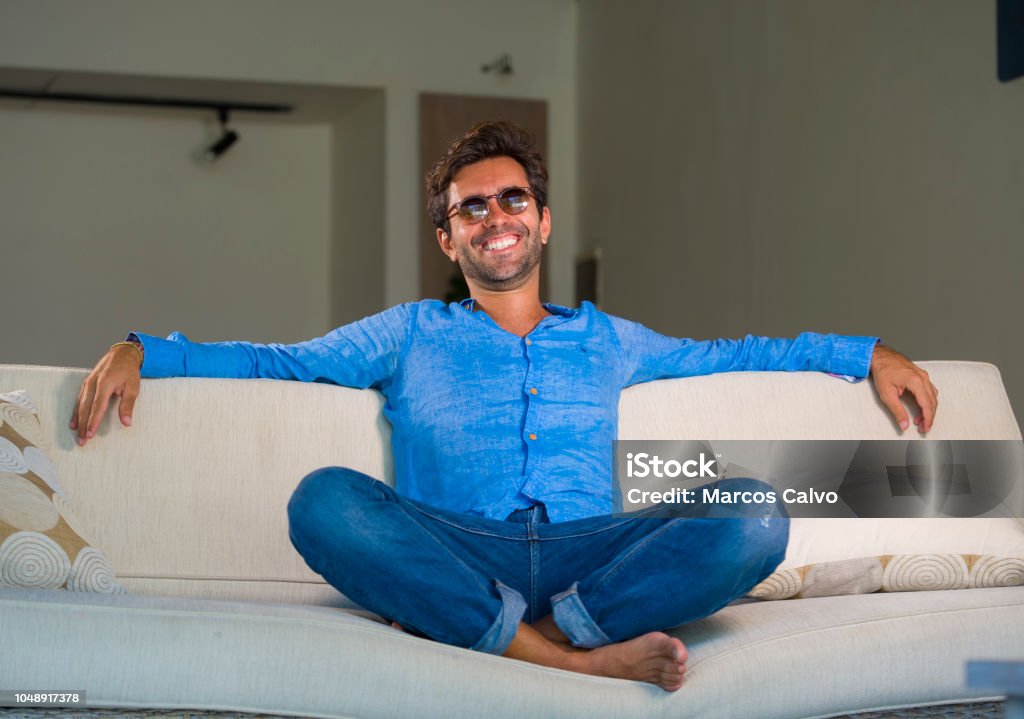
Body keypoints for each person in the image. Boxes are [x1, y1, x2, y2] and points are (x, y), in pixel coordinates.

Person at [71, 121, 938, 692]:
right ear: (449, 238)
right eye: (471, 207)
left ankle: (554, 638)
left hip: (590, 553)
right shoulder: (409, 331)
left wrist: (864, 352)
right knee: (322, 500)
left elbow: (743, 353)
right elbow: (278, 361)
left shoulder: (612, 338)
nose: (496, 216)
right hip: (460, 542)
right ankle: (576, 661)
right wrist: (151, 346)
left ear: (544, 220)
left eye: (512, 198)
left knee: (753, 511)